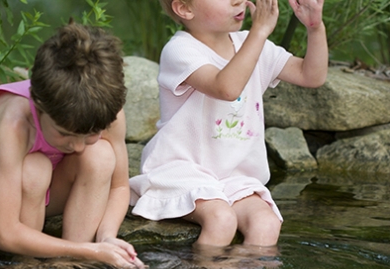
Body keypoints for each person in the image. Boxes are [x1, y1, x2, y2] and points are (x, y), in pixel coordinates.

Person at [130, 0, 327, 251]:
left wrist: (315, 27)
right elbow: (226, 88)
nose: (239, 1)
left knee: (266, 224)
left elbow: (312, 76)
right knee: (221, 219)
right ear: (185, 9)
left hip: (233, 177)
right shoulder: (180, 50)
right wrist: (259, 32)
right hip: (182, 170)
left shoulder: (252, 43)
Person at [0, 23, 145, 269]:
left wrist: (106, 238)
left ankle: (70, 268)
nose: (76, 147)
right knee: (35, 168)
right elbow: (5, 234)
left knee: (101, 156)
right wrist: (91, 252)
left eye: (90, 134)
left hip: (44, 186)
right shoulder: (14, 123)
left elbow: (119, 186)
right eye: (65, 134)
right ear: (39, 105)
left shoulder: (105, 110)